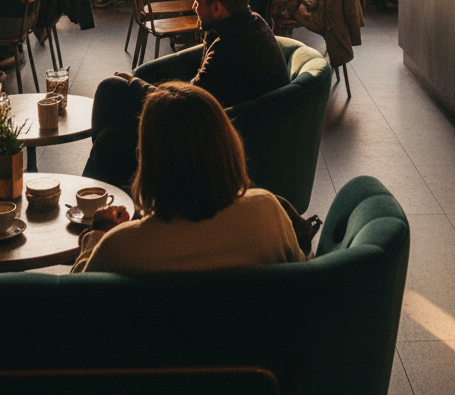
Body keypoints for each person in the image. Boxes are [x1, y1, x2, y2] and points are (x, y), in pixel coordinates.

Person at [81, 0, 289, 189]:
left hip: (207, 137)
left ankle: (99, 192)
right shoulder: (251, 23)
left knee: (110, 136)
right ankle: (111, 189)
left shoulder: (230, 48)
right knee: (111, 91)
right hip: (221, 117)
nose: (194, 7)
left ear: (217, 8)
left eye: (198, 2)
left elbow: (187, 105)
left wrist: (136, 84)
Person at [72, 80, 304, 273]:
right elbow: (303, 277)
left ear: (148, 161)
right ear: (227, 148)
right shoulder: (267, 213)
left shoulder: (119, 247)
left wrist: (97, 235)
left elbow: (76, 302)